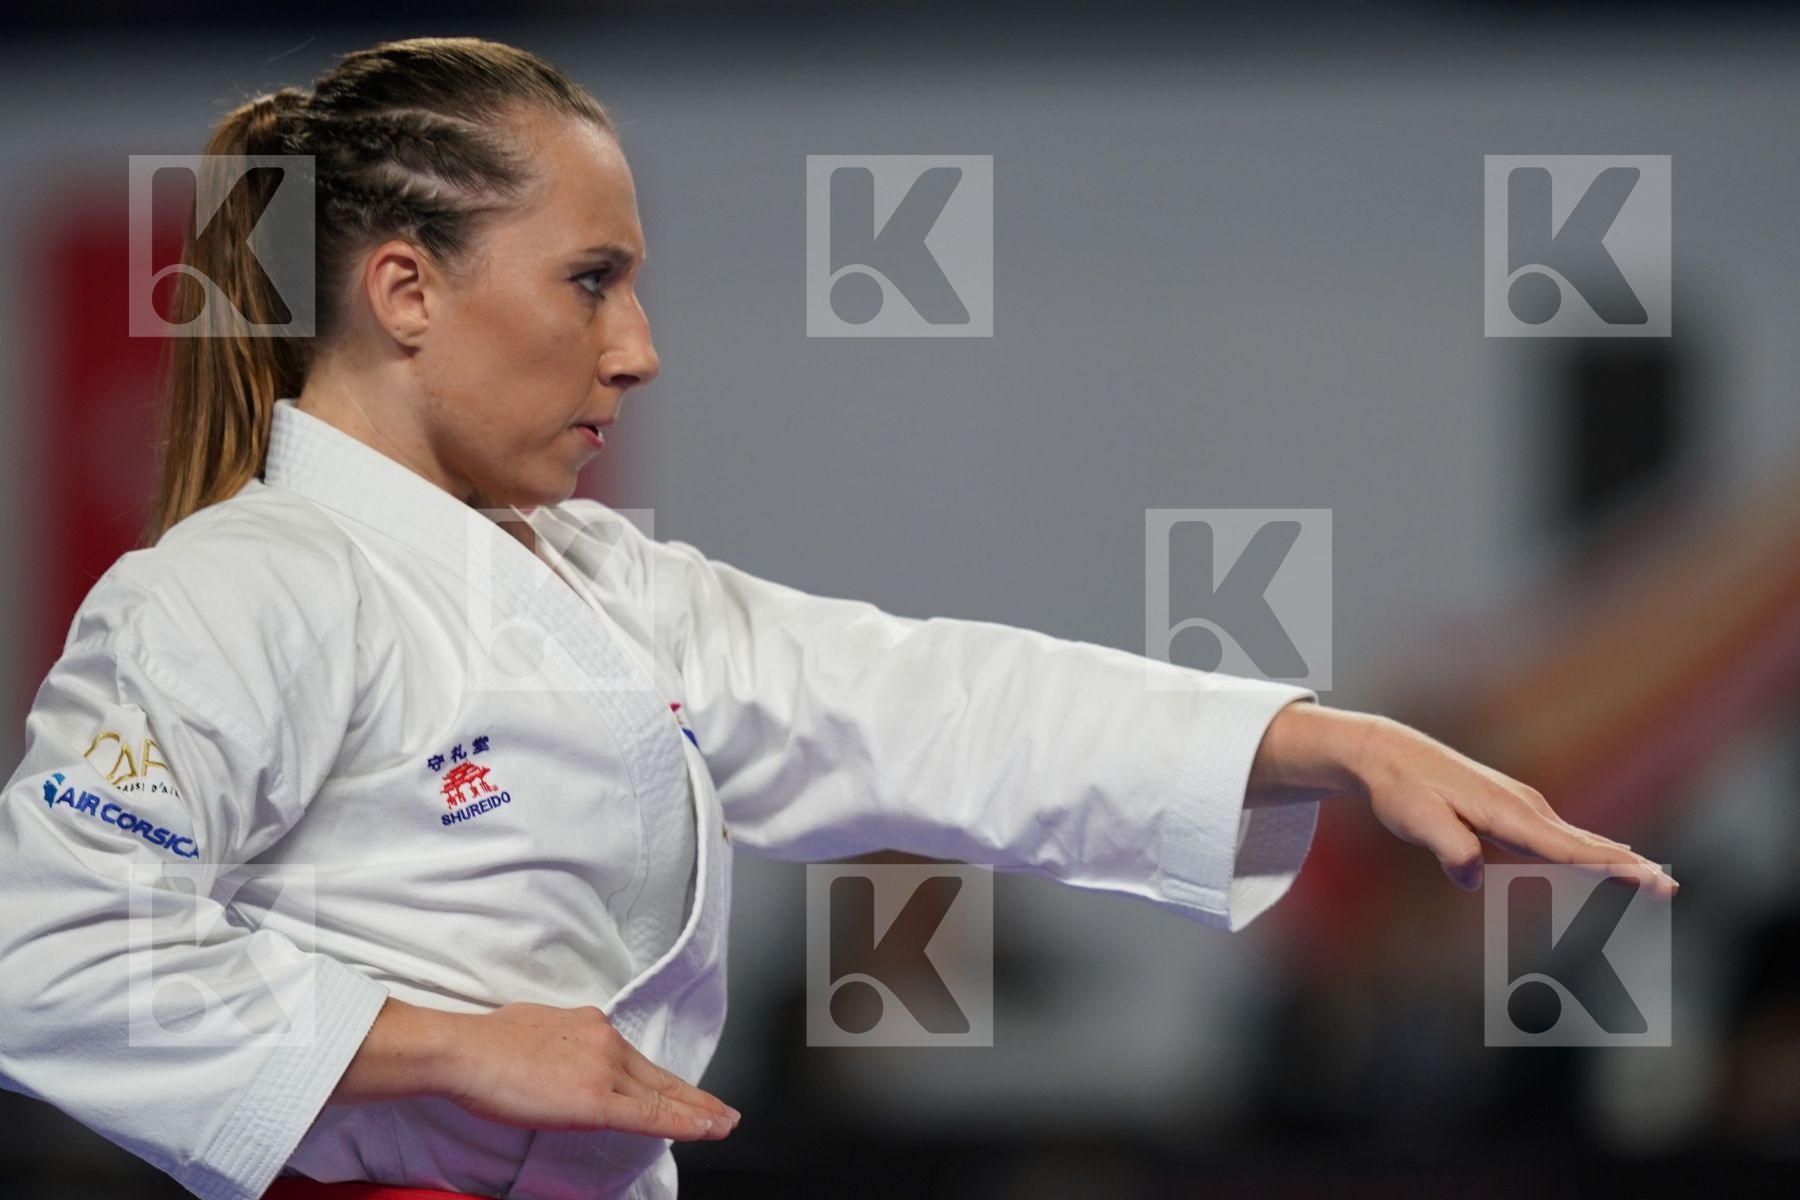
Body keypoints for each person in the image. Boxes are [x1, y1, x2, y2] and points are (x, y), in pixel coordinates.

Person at [0, 35, 1675, 1200]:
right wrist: (440, 1051)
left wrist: (1315, 737)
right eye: (593, 279)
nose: (640, 346)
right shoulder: (228, 594)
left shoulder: (596, 582)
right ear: (406, 289)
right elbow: (43, 955)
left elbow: (921, 701)